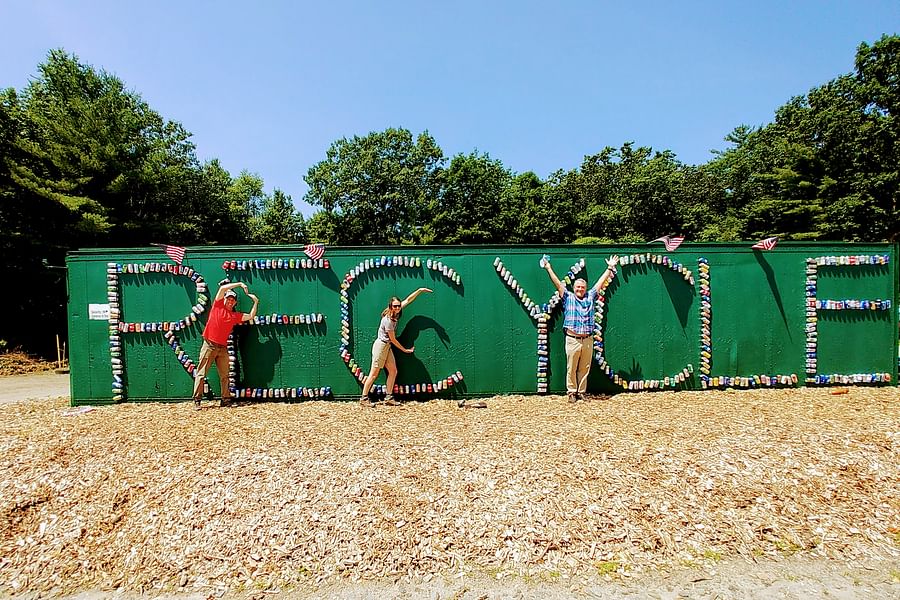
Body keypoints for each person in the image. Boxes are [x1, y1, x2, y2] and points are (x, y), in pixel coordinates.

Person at [544, 255, 619, 403]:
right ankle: (571, 392)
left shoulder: (590, 297)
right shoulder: (568, 297)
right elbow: (558, 283)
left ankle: (581, 392)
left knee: (585, 367)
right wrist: (548, 268)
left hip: (588, 339)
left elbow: (599, 283)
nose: (580, 289)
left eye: (583, 287)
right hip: (572, 339)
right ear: (574, 288)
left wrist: (610, 268)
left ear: (585, 289)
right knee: (571, 367)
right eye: (578, 287)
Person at [359, 287, 432, 407]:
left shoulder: (395, 313)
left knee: (393, 371)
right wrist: (405, 350)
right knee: (373, 374)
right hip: (381, 346)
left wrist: (420, 290)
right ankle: (364, 398)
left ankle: (388, 397)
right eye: (395, 306)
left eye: (398, 306)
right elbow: (392, 339)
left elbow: (408, 300)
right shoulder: (387, 320)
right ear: (390, 307)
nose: (398, 308)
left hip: (386, 347)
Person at [192, 281, 259, 409]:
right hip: (209, 345)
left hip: (222, 348)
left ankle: (226, 399)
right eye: (228, 298)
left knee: (225, 375)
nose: (230, 301)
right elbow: (222, 288)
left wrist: (255, 302)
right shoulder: (217, 306)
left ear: (235, 303)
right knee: (201, 373)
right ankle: (197, 400)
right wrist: (240, 284)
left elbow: (251, 316)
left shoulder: (234, 316)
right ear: (224, 300)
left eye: (232, 299)